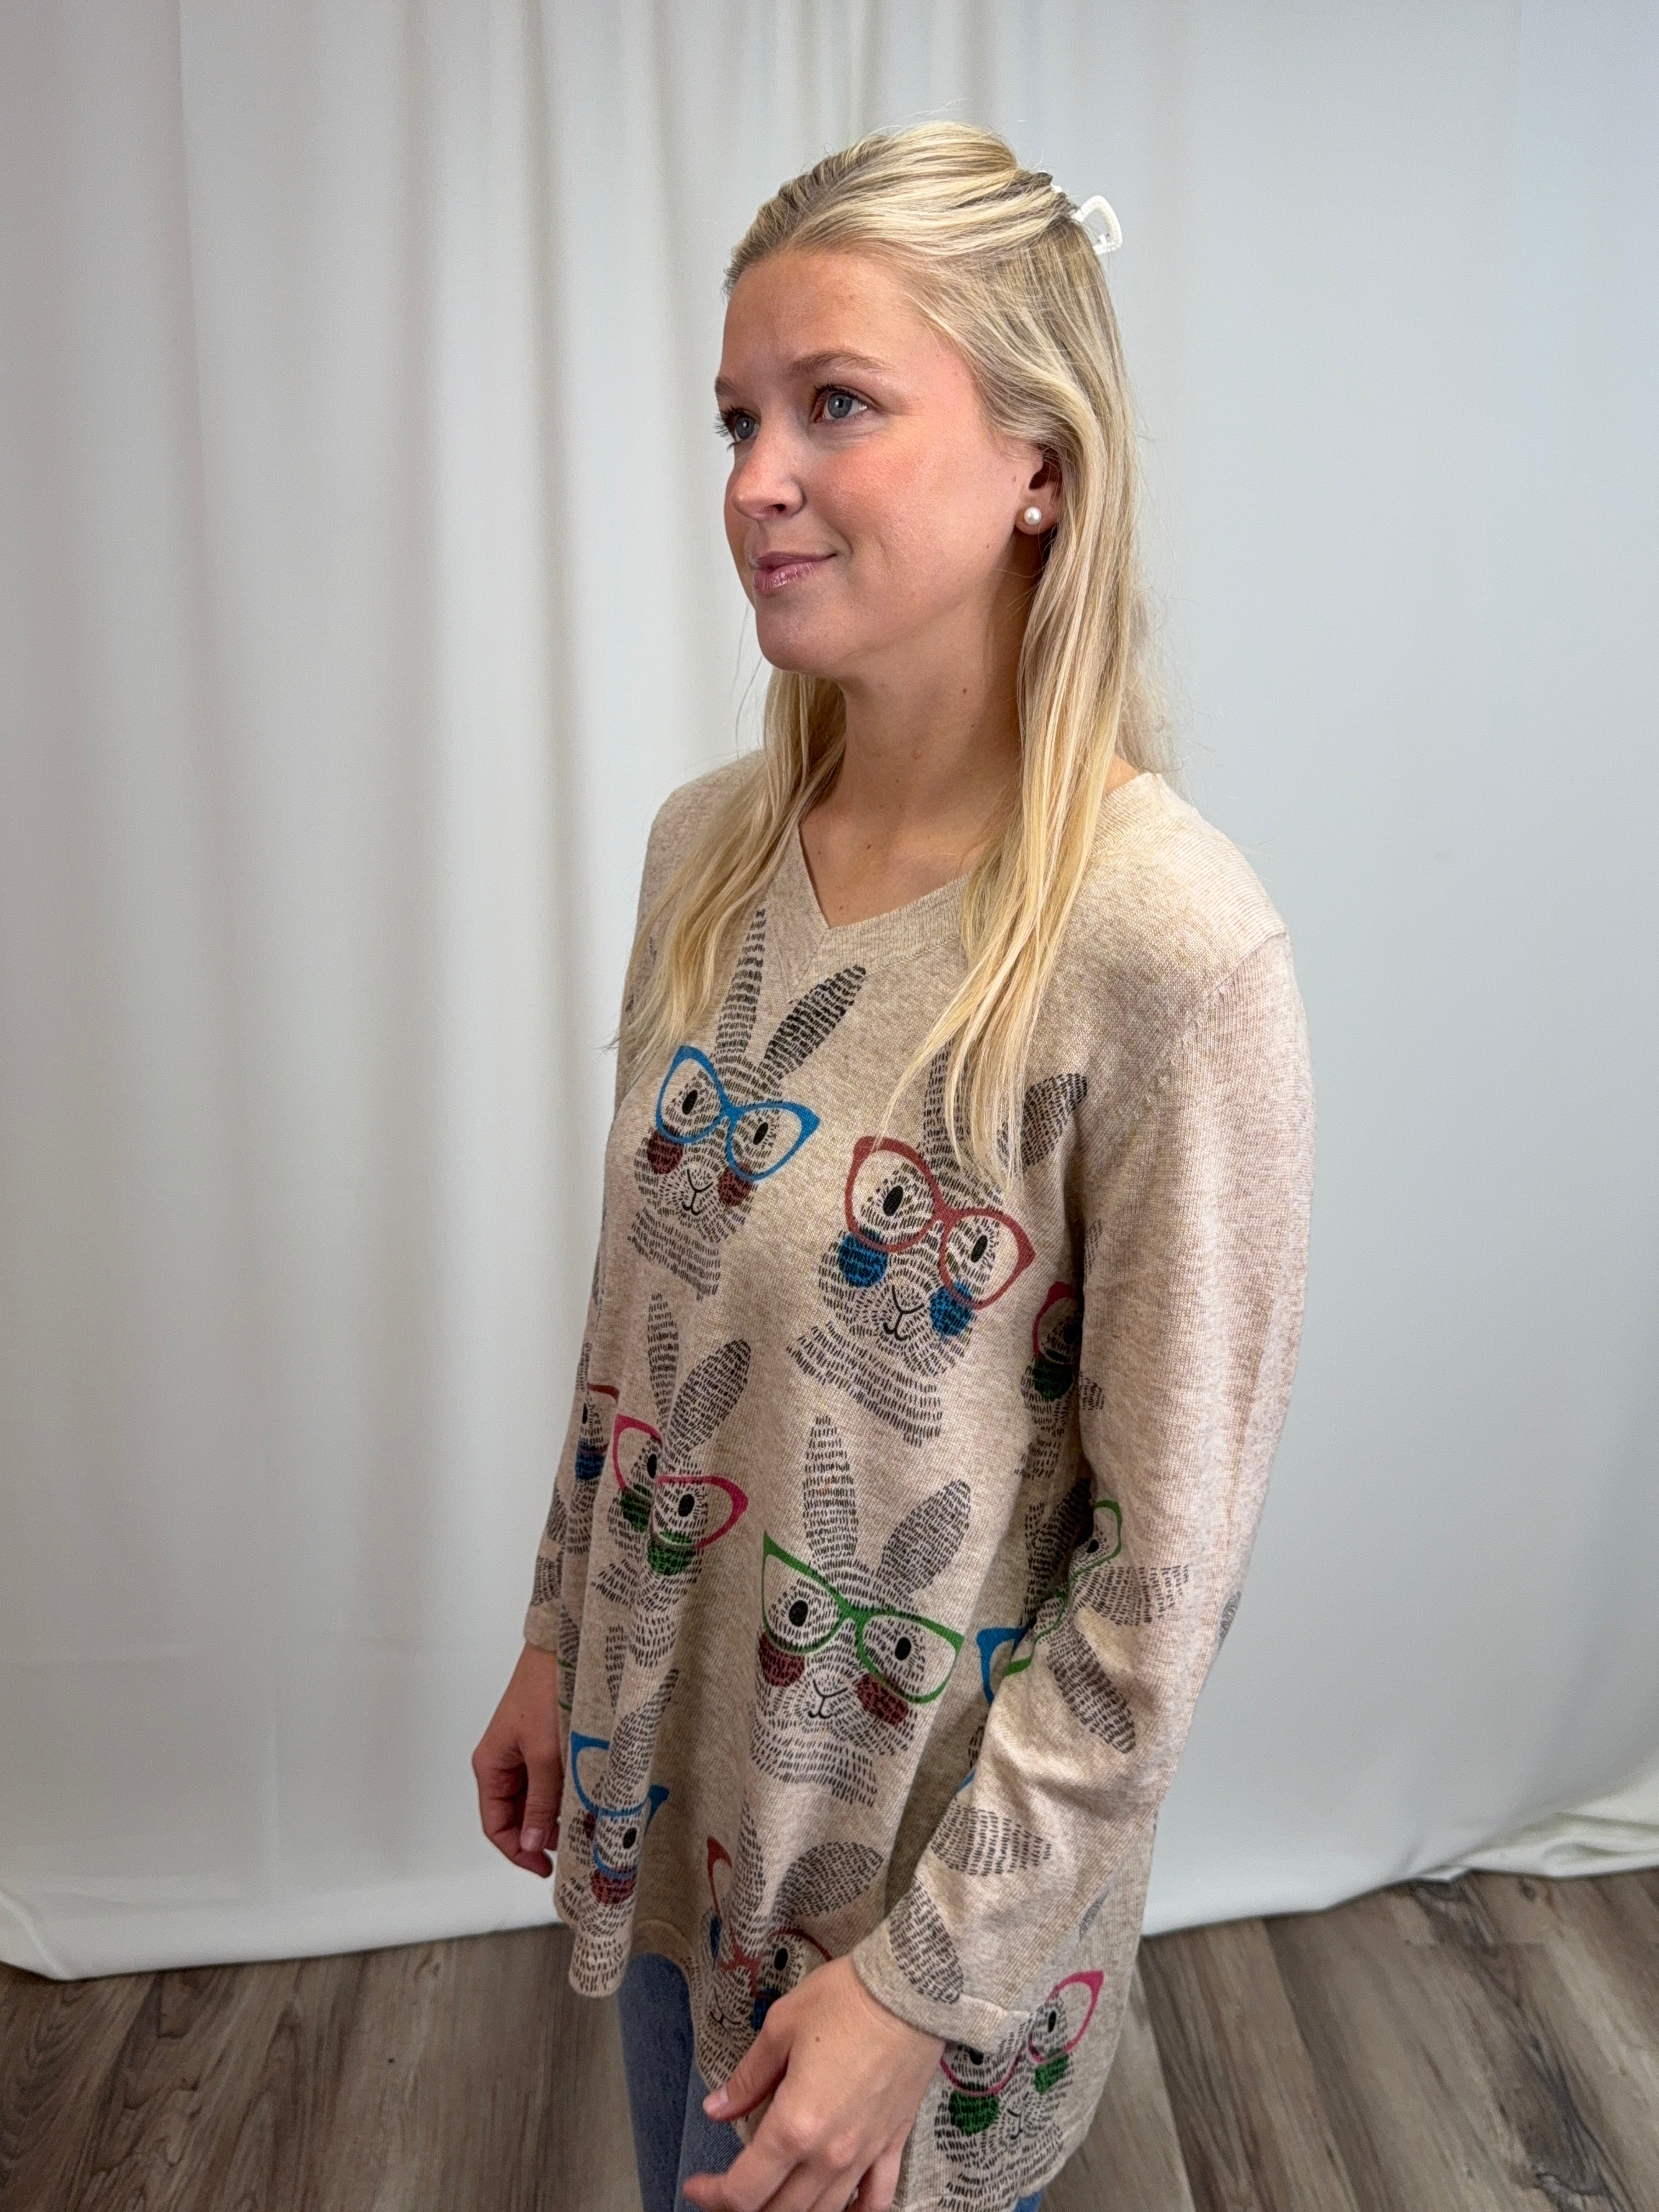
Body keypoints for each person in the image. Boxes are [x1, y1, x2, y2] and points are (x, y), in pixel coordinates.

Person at [472, 120, 1314, 2212]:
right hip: (680, 1819)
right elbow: (647, 1318)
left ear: (1042, 463)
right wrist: (564, 1634)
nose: (755, 479)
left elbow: (1161, 1578)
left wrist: (922, 1991)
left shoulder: (1164, 950)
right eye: (738, 417)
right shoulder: (710, 852)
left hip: (909, 1947)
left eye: (836, 404)